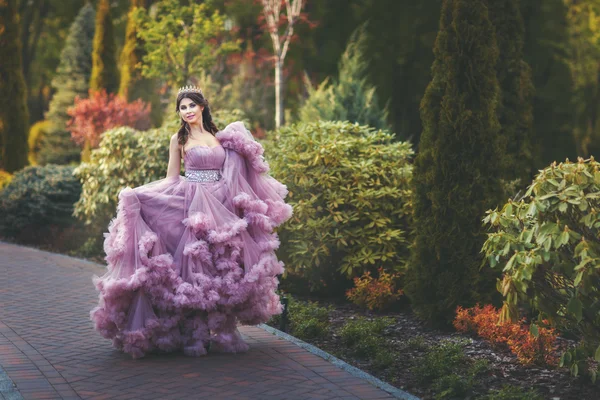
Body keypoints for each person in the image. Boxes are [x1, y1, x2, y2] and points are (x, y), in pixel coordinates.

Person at [90, 86, 293, 359]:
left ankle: (212, 330)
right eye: (182, 108)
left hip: (220, 203)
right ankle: (188, 333)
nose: (187, 111)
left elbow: (231, 171)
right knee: (191, 270)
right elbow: (172, 177)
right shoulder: (178, 139)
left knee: (218, 271)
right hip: (192, 202)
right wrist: (141, 194)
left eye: (191, 106)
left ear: (202, 106)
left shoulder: (218, 137)